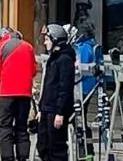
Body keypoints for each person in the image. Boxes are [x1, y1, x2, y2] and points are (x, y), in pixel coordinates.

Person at [0, 26, 37, 161]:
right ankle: (23, 157)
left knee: (5, 127)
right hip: (25, 94)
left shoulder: (0, 47)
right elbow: (33, 71)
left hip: (6, 93)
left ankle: (8, 157)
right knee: (22, 127)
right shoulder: (28, 47)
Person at [35, 24, 76, 161]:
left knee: (56, 146)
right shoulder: (53, 58)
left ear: (55, 40)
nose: (45, 43)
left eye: (47, 40)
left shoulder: (65, 59)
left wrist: (60, 112)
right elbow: (47, 86)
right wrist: (41, 108)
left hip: (55, 109)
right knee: (43, 145)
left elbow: (65, 88)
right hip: (47, 107)